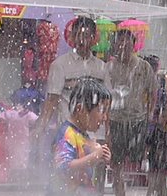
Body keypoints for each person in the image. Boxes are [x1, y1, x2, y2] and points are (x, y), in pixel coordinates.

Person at [37, 16, 112, 172]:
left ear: (94, 39)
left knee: (93, 181)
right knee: (68, 176)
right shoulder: (60, 65)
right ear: (71, 37)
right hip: (69, 132)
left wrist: (108, 132)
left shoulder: (102, 68)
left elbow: (107, 105)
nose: (82, 40)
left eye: (86, 35)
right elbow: (52, 100)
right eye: (78, 35)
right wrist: (41, 127)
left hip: (95, 134)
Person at [107, 28, 156, 196]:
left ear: (133, 45)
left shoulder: (143, 67)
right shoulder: (110, 67)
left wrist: (149, 115)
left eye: (127, 43)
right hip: (117, 121)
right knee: (116, 166)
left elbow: (153, 92)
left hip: (138, 121)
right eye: (119, 43)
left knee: (146, 163)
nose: (123, 46)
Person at [47, 76, 113, 196]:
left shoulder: (82, 133)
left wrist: (100, 156)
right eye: (101, 111)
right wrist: (95, 156)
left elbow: (85, 156)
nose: (105, 117)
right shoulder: (67, 135)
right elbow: (63, 167)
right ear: (80, 109)